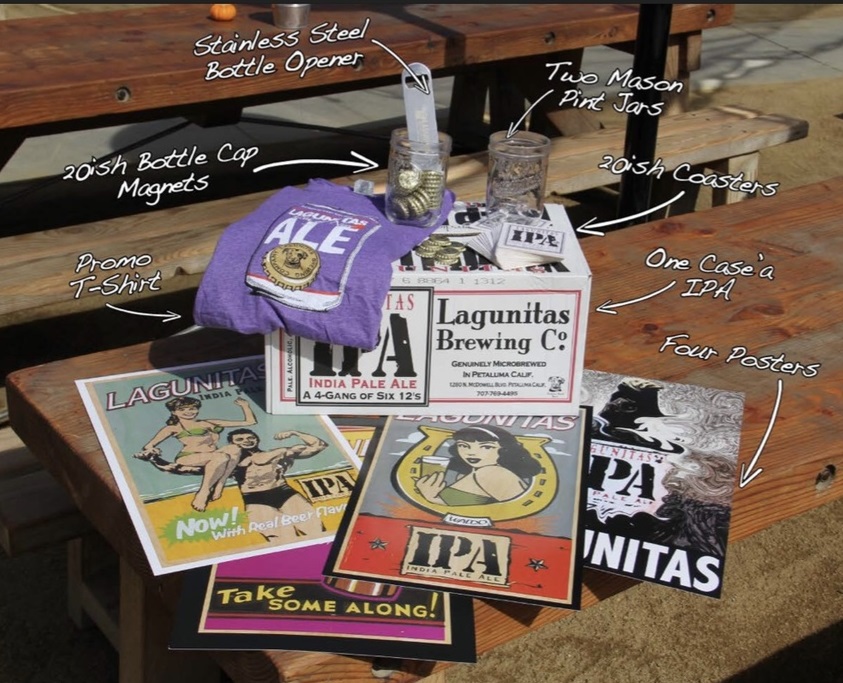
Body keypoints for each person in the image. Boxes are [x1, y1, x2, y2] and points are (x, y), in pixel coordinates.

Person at [134, 396, 256, 512]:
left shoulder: (208, 422)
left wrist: (245, 406)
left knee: (234, 448)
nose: (188, 412)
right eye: (182, 409)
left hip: (213, 455)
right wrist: (153, 450)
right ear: (174, 412)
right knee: (221, 456)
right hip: (188, 457)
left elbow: (250, 422)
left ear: (197, 409)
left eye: (192, 408)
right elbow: (149, 445)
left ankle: (220, 483)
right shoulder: (172, 428)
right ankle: (203, 492)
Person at [222, 428, 327, 542]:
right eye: (240, 439)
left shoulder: (277, 454)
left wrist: (295, 433)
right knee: (281, 538)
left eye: (251, 438)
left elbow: (319, 446)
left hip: (285, 493)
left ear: (257, 439)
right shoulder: (228, 462)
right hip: (255, 499)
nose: (246, 441)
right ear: (231, 443)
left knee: (315, 530)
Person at [415, 425, 542, 506]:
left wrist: (432, 498)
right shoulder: (468, 474)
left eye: (486, 447)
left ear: (505, 450)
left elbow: (514, 510)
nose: (471, 452)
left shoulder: (492, 473)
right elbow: (470, 510)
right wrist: (432, 498)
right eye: (463, 445)